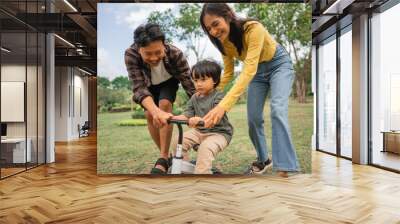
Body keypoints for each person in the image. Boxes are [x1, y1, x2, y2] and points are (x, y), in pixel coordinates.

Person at [199, 3, 299, 177]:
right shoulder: (222, 43)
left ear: (228, 16)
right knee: (253, 118)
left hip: (278, 64)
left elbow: (249, 68)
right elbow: (229, 73)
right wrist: (212, 92)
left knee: (277, 109)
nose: (213, 32)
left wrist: (223, 106)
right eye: (209, 29)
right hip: (257, 73)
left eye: (215, 24)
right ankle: (263, 160)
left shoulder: (253, 29)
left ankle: (285, 166)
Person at [124, 23, 195, 174]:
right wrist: (154, 111)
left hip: (169, 82)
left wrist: (202, 109)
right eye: (148, 54)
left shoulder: (175, 54)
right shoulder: (131, 54)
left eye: (158, 52)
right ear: (139, 48)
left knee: (164, 104)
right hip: (147, 85)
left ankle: (162, 158)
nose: (154, 57)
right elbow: (139, 88)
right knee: (150, 114)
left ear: (164, 44)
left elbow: (189, 85)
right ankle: (165, 156)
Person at [171, 60, 233, 174]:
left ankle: (202, 177)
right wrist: (171, 117)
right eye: (195, 80)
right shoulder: (194, 97)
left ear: (214, 80)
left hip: (218, 133)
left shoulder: (219, 96)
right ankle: (185, 168)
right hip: (199, 131)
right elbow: (186, 115)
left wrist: (199, 120)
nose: (198, 84)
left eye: (203, 80)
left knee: (205, 148)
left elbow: (215, 118)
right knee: (177, 141)